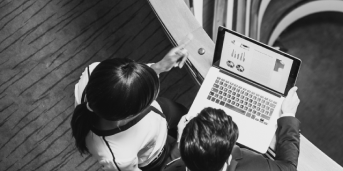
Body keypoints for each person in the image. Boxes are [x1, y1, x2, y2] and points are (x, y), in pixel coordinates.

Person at [70, 45, 190, 171]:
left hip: (161, 113)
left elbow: (126, 83)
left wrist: (159, 67)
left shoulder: (92, 72)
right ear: (130, 115)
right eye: (149, 100)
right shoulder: (118, 158)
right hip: (156, 156)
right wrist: (181, 144)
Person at [164, 87, 302, 171]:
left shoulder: (170, 168)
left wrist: (181, 143)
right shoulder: (255, 167)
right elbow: (288, 168)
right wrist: (288, 114)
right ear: (228, 160)